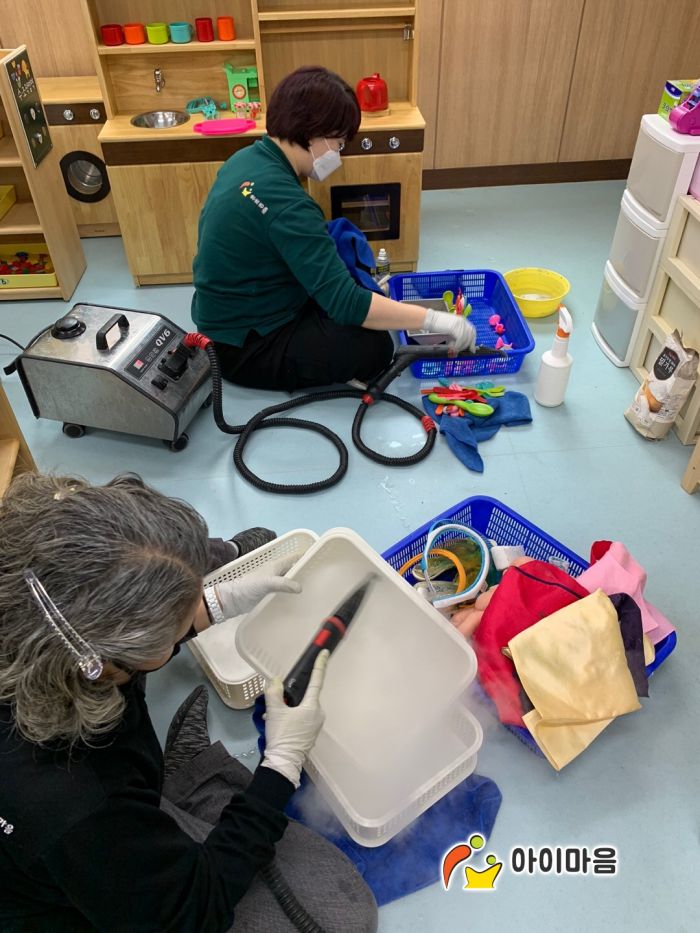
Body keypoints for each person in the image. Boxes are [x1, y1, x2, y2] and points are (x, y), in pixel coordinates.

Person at [0, 473, 377, 932]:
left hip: (82, 838)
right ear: (98, 664)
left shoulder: (33, 610)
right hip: (78, 894)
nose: (198, 607)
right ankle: (188, 790)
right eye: (172, 633)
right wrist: (282, 764)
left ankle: (178, 795)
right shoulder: (79, 804)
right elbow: (194, 914)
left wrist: (209, 606)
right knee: (346, 917)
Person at [191, 66, 476, 392]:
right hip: (244, 347)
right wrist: (434, 320)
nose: (337, 156)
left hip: (228, 315)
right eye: (338, 144)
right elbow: (346, 303)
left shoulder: (246, 159)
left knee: (357, 291)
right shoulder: (289, 205)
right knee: (375, 347)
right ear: (313, 133)